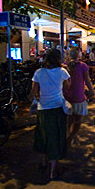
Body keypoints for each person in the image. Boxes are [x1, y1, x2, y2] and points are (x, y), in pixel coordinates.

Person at [30, 49, 71, 180]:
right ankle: (53, 170)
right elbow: (68, 86)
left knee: (43, 135)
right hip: (58, 108)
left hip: (43, 108)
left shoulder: (38, 72)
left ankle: (43, 162)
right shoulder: (62, 72)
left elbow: (33, 92)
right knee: (56, 138)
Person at [63, 47, 95, 146]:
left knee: (70, 119)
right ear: (78, 54)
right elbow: (87, 80)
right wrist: (92, 92)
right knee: (77, 120)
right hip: (78, 96)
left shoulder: (65, 66)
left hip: (66, 96)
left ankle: (71, 136)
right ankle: (70, 138)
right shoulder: (83, 66)